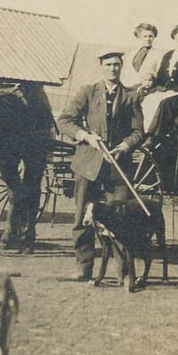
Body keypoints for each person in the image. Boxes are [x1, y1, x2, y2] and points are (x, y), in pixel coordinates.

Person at [58, 51, 146, 281]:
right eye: (108, 65)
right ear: (101, 67)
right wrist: (86, 137)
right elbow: (65, 121)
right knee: (82, 218)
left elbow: (139, 132)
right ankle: (84, 266)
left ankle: (123, 271)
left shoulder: (131, 96)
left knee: (120, 219)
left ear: (121, 67)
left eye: (117, 65)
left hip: (118, 168)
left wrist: (124, 147)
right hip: (88, 164)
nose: (113, 69)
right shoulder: (87, 92)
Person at [120, 22, 161, 93]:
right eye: (145, 36)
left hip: (144, 90)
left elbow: (158, 75)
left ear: (154, 37)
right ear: (139, 37)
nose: (148, 39)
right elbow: (126, 72)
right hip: (127, 88)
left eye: (150, 36)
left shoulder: (158, 54)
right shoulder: (132, 53)